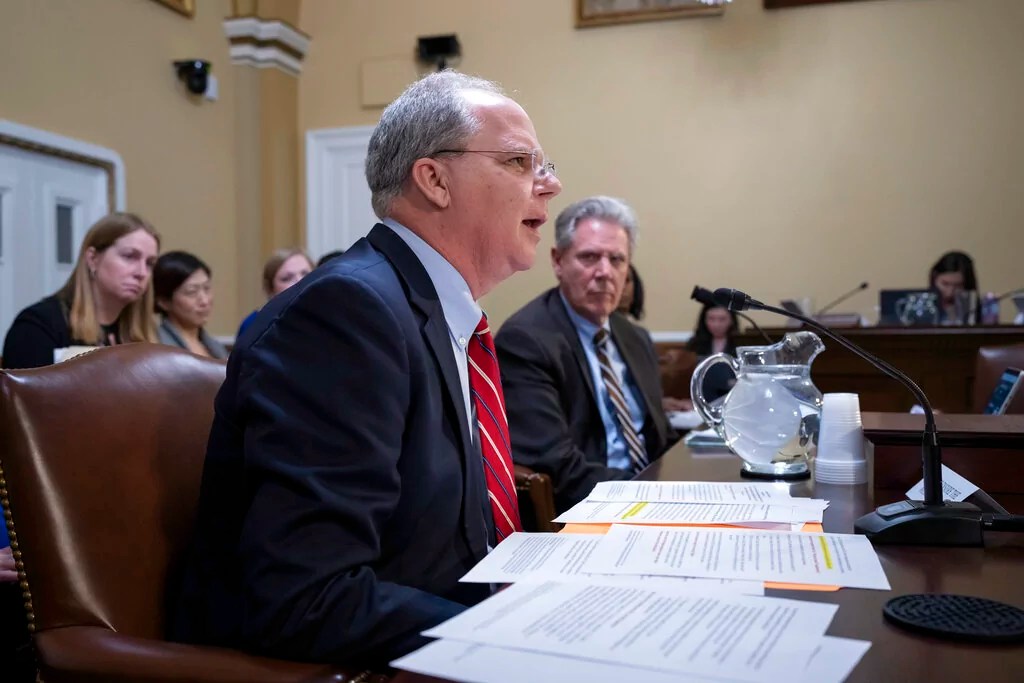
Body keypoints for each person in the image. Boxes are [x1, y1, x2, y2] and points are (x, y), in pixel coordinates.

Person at [171, 70, 562, 667]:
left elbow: (455, 533)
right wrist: (521, 635)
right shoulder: (347, 314)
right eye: (519, 162)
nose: (550, 184)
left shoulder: (437, 312)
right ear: (434, 179)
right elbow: (308, 596)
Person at [495, 196, 675, 513]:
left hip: (652, 500)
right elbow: (557, 465)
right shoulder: (525, 341)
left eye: (617, 260)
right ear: (558, 261)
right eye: (589, 257)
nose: (605, 272)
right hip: (587, 511)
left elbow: (658, 436)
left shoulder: (635, 337)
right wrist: (653, 497)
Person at [2, 212, 160, 369]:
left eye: (150, 263)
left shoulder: (143, 331)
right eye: (129, 256)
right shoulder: (38, 325)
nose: (141, 273)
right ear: (93, 259)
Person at [153, 251, 228, 359]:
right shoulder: (158, 347)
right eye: (191, 292)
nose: (205, 301)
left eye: (207, 288)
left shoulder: (215, 346)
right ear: (164, 302)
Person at [235, 248, 313, 338]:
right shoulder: (254, 324)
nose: (299, 281)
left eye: (306, 274)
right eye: (287, 278)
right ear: (270, 289)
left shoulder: (324, 317)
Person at [686, 302, 740, 402]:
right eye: (711, 319)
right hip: (700, 400)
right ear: (704, 320)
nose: (716, 324)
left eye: (722, 319)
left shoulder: (740, 344)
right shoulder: (694, 343)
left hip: (732, 400)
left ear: (732, 320)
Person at [929, 250, 978, 324]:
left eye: (958, 286)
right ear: (934, 279)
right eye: (945, 284)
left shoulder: (978, 312)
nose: (950, 293)